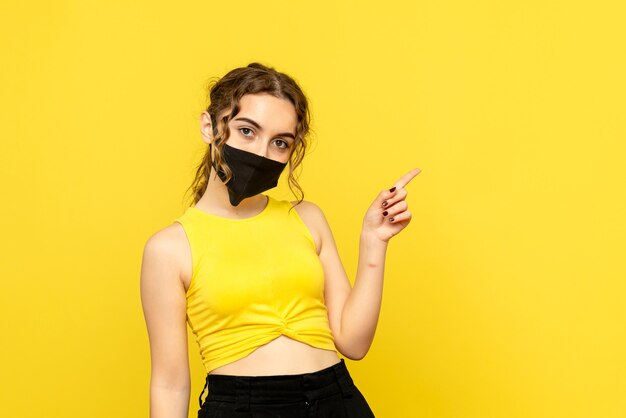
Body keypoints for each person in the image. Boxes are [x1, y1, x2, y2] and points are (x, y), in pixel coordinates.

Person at [140, 62, 421, 418]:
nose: (260, 154)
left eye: (279, 143)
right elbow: (169, 383)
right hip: (244, 408)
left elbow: (353, 341)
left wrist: (374, 240)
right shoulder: (169, 248)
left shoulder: (307, 218)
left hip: (336, 399)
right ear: (209, 126)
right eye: (246, 131)